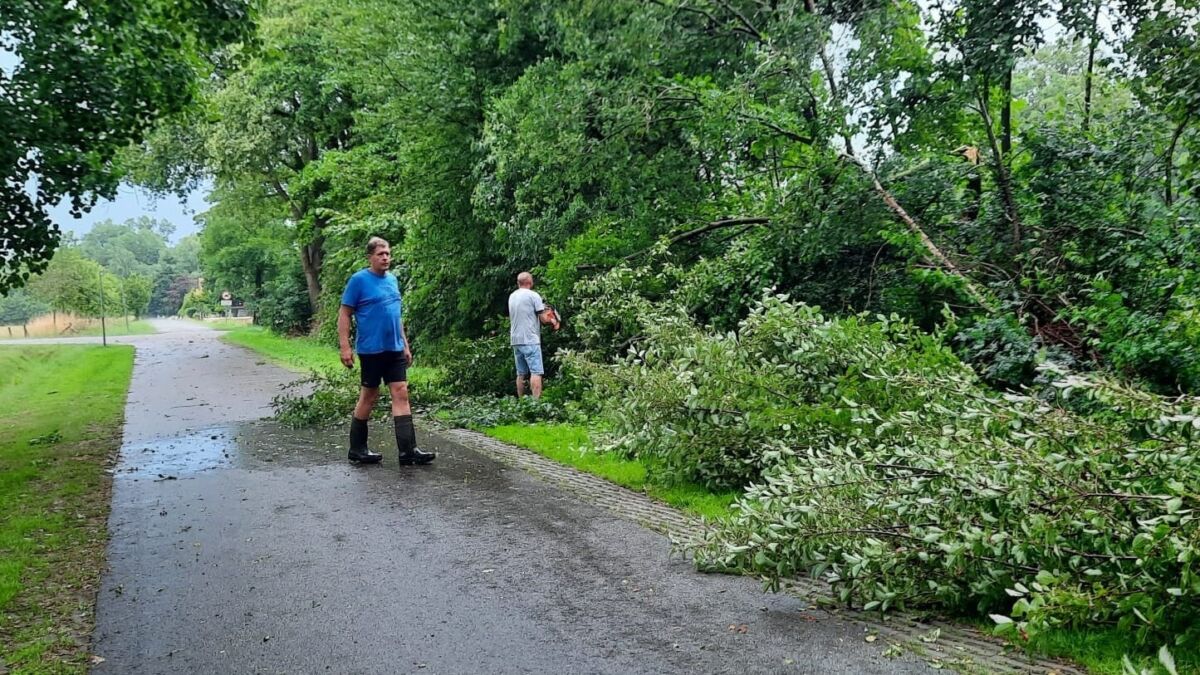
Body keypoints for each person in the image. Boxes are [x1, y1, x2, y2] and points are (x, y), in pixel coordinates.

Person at [338, 236, 435, 466]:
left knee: (401, 392)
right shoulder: (359, 280)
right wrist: (345, 346)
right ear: (370, 257)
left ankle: (408, 450)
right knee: (369, 396)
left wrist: (405, 344)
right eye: (380, 254)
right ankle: (357, 448)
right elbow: (344, 314)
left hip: (394, 348)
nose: (385, 258)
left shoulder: (392, 280)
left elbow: (395, 315)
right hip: (371, 349)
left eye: (388, 254)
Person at [508, 271, 559, 398]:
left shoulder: (512, 296)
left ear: (518, 283)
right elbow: (543, 318)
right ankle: (536, 404)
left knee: (521, 374)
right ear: (530, 282)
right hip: (530, 339)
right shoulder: (533, 295)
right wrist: (553, 320)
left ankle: (522, 403)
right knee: (536, 373)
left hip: (516, 339)